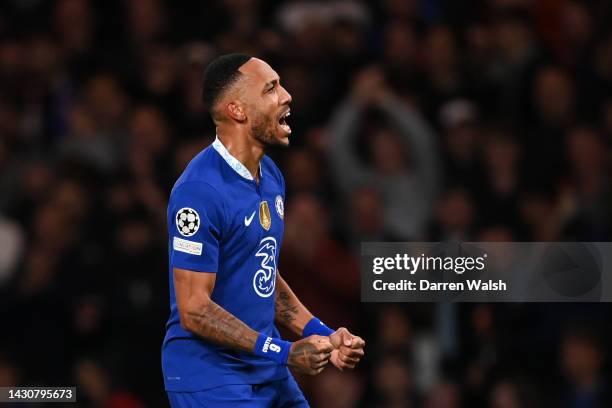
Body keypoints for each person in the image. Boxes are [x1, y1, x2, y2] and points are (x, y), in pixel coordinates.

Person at [161, 53, 365, 407]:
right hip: (212, 379)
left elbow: (262, 272)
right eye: (271, 89)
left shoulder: (270, 174)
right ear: (237, 111)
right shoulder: (199, 192)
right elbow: (193, 309)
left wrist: (323, 335)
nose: (286, 95)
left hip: (265, 369)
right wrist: (283, 351)